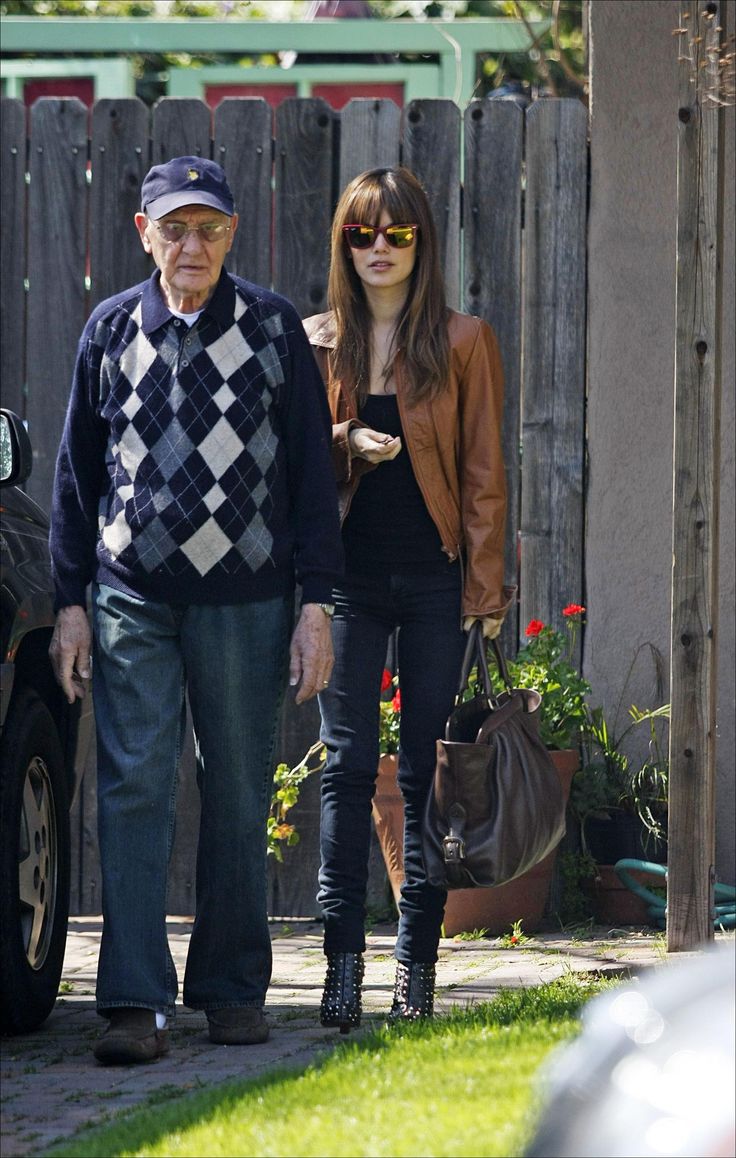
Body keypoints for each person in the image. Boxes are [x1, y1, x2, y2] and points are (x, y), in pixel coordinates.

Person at [48, 156, 343, 1065]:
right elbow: (74, 478)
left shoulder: (270, 327)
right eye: (173, 228)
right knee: (133, 788)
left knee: (239, 791)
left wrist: (317, 606)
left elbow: (309, 476)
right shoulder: (110, 330)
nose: (191, 246)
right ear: (145, 235)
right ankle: (134, 1001)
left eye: (208, 229)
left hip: (246, 602)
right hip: (132, 596)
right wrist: (69, 604)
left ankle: (230, 990)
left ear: (232, 235)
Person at [303, 166, 512, 1032]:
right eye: (362, 234)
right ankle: (341, 970)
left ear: (422, 243)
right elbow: (295, 469)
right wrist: (343, 437)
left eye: (397, 234)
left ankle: (415, 970)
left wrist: (485, 586)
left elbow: (484, 472)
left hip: (432, 584)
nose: (379, 249)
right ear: (344, 245)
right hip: (347, 583)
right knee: (348, 771)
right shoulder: (316, 342)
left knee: (428, 776)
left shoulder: (463, 341)